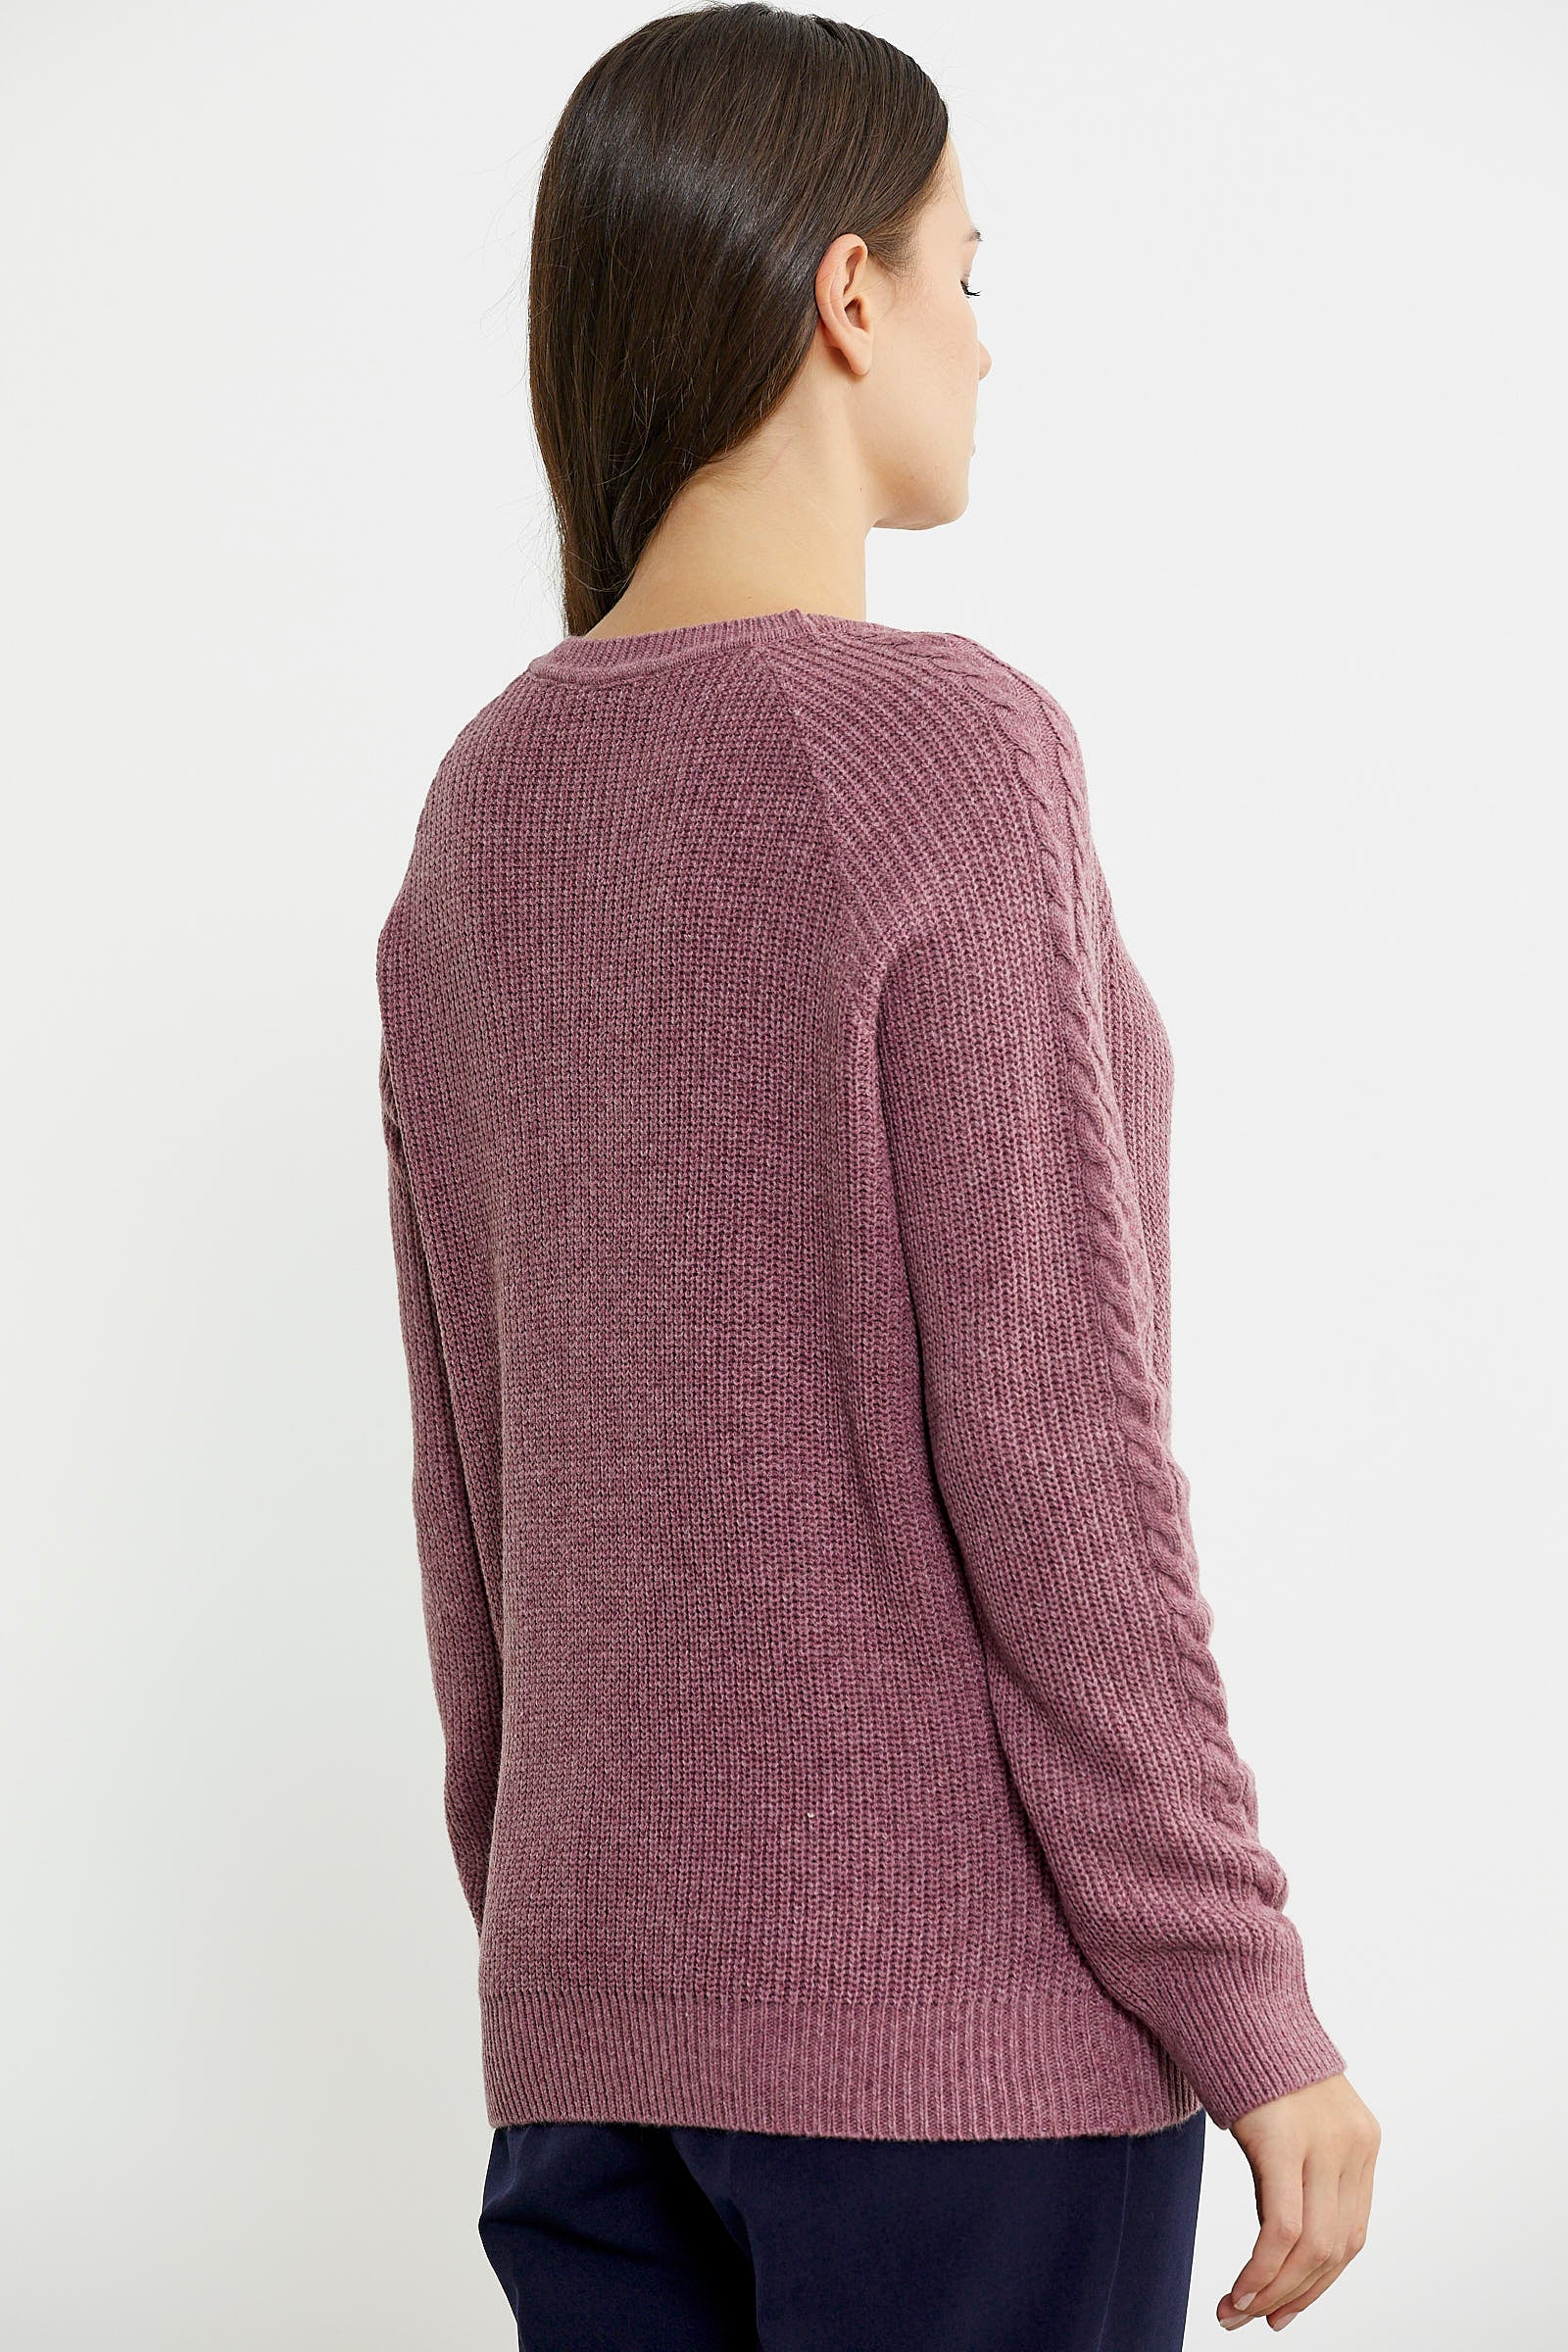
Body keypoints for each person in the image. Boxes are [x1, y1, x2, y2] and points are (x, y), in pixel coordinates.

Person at [374, 6, 1381, 2345]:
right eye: (963, 271)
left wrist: (570, 1959)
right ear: (847, 292)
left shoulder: (479, 809)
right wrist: (1241, 1995)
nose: (981, 341)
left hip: (591, 2059)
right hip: (956, 2069)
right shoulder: (936, 751)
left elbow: (468, 1488)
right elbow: (1050, 1441)